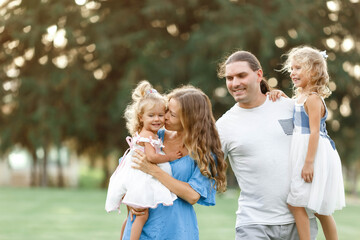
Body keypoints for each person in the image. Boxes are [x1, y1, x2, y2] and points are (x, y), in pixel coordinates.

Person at [216, 50, 318, 240]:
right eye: (229, 78)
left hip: (301, 221)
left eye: (241, 75)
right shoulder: (223, 126)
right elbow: (203, 168)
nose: (235, 83)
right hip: (254, 225)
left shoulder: (288, 107)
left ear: (259, 74)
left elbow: (318, 138)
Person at [121, 85, 228, 240]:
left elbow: (192, 195)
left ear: (189, 120)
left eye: (171, 114)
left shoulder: (205, 152)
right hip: (141, 227)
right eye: (166, 110)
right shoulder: (154, 137)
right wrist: (129, 200)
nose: (164, 117)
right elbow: (127, 173)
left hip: (177, 230)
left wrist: (153, 170)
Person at [269, 46, 345, 240]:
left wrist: (309, 162)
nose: (293, 73)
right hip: (303, 152)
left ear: (313, 71)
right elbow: (294, 110)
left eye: (298, 68)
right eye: (292, 68)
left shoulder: (313, 99)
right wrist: (281, 96)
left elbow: (314, 132)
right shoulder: (301, 97)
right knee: (310, 206)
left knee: (305, 206)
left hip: (313, 154)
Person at [105, 80, 180, 240]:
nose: (157, 119)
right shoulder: (147, 136)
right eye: (151, 115)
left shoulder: (146, 133)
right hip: (140, 179)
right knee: (142, 215)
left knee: (133, 215)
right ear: (141, 117)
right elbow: (152, 157)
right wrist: (170, 156)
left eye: (161, 115)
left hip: (138, 176)